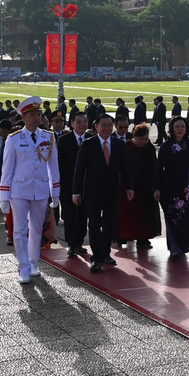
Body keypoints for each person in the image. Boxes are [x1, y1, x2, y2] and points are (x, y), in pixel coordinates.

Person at [0, 96, 60, 284]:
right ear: (23, 117)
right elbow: (7, 168)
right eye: (32, 114)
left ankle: (33, 263)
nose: (36, 118)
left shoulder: (48, 137)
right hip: (19, 189)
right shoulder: (14, 139)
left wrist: (55, 192)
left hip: (40, 189)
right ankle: (23, 267)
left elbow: (53, 166)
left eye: (38, 114)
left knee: (36, 229)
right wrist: (3, 196)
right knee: (19, 229)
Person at [73, 113, 122, 272]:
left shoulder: (118, 144)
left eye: (110, 125)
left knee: (109, 224)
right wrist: (76, 192)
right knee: (94, 224)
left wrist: (130, 187)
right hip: (92, 192)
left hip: (113, 192)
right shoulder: (88, 144)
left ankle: (106, 253)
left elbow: (125, 168)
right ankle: (97, 258)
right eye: (103, 125)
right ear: (96, 126)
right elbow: (79, 170)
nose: (107, 128)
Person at [156, 117, 189, 255]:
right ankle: (175, 247)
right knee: (172, 218)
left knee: (188, 218)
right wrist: (157, 188)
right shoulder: (166, 147)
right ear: (172, 129)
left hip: (186, 189)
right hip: (169, 188)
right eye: (177, 126)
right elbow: (159, 168)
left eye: (182, 126)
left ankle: (187, 245)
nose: (180, 129)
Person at [117, 121, 161, 250]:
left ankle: (143, 238)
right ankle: (124, 235)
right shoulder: (126, 147)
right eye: (141, 139)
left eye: (146, 139)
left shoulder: (150, 148)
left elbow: (154, 167)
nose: (143, 142)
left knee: (145, 213)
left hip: (146, 186)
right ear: (134, 137)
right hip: (128, 185)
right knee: (127, 213)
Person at [58, 112, 90, 258]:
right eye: (78, 122)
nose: (82, 124)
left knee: (83, 216)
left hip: (86, 185)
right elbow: (59, 164)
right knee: (70, 215)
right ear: (72, 123)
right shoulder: (64, 140)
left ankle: (79, 242)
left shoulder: (91, 139)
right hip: (68, 185)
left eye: (84, 121)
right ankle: (71, 244)